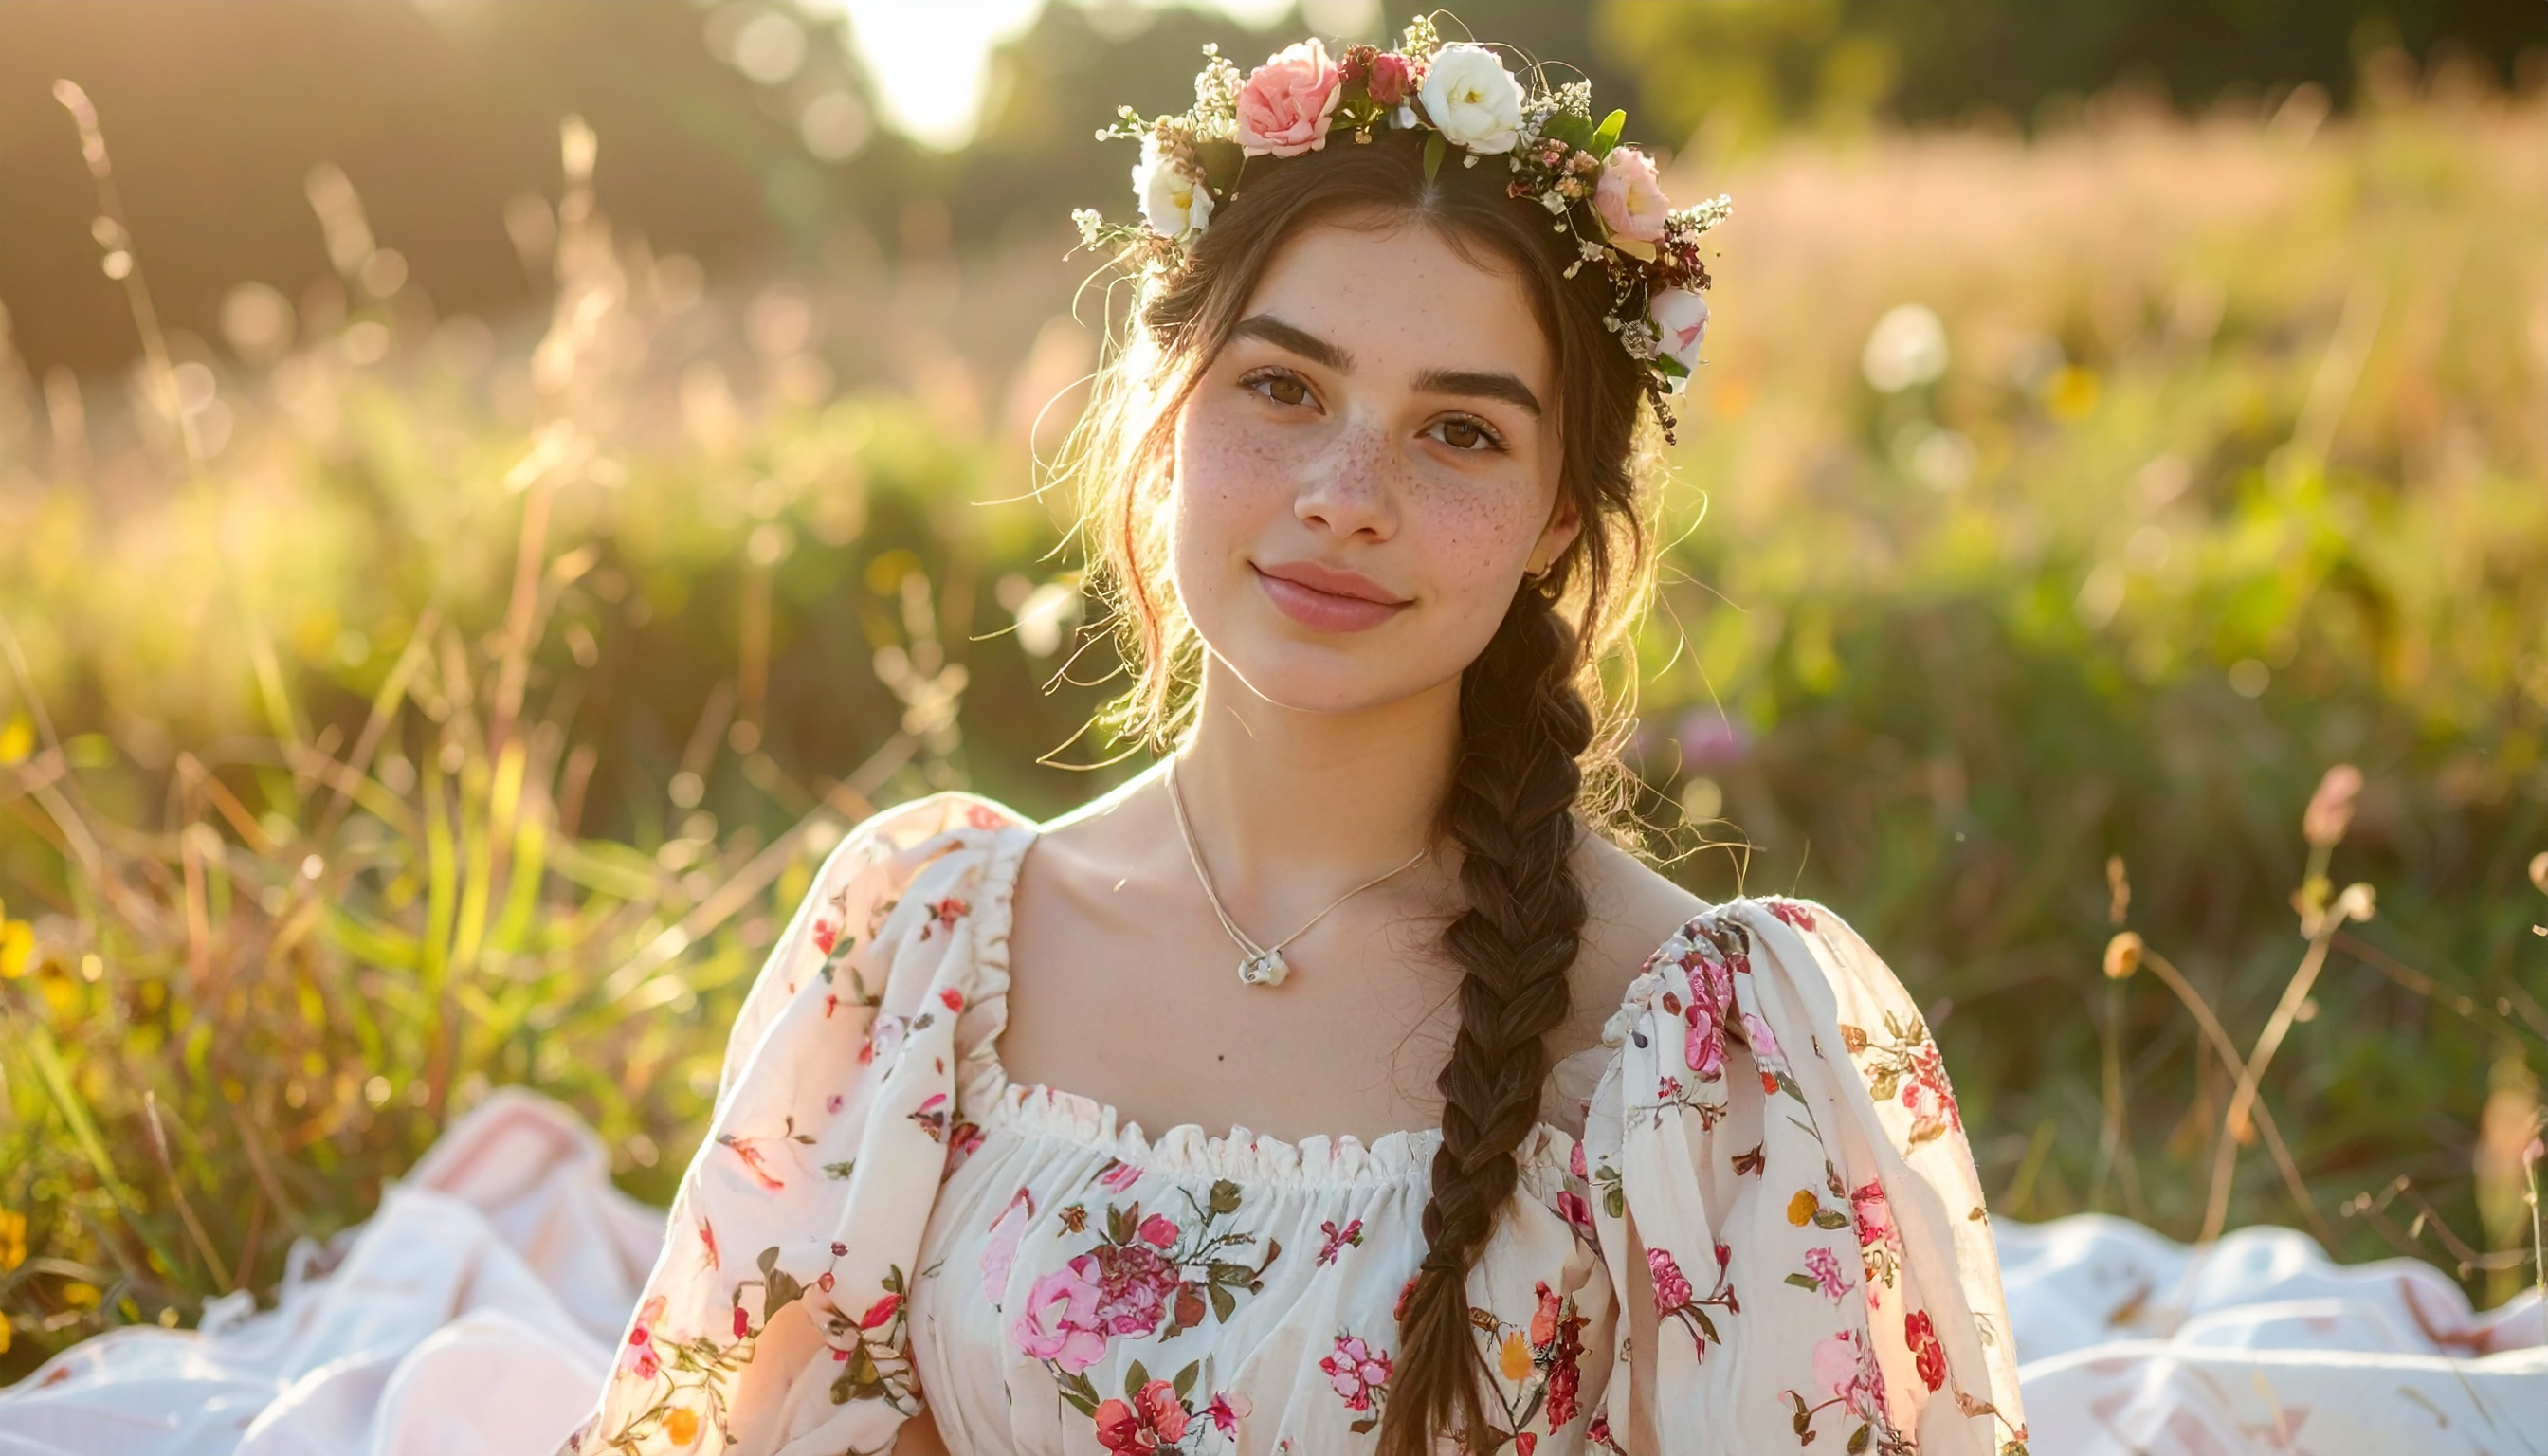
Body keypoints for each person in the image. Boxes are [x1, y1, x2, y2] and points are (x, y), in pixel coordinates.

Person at [562, 20, 2025, 1456]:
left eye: (1459, 432)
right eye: (1283, 388)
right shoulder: (928, 949)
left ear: (1555, 520)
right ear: (1172, 405)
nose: (1345, 492)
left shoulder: (1693, 1041)